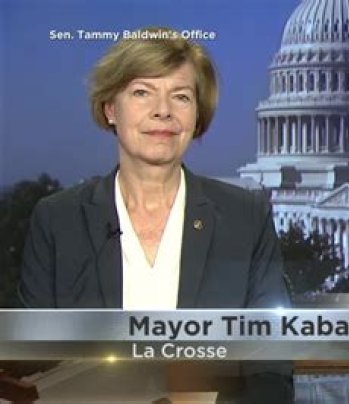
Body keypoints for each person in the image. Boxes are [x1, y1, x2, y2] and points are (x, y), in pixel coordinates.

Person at [18, 27, 292, 402]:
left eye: (181, 96)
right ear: (110, 109)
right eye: (142, 92)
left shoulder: (246, 217)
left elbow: (271, 369)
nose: (163, 111)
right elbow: (32, 362)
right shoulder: (57, 219)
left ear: (197, 116)